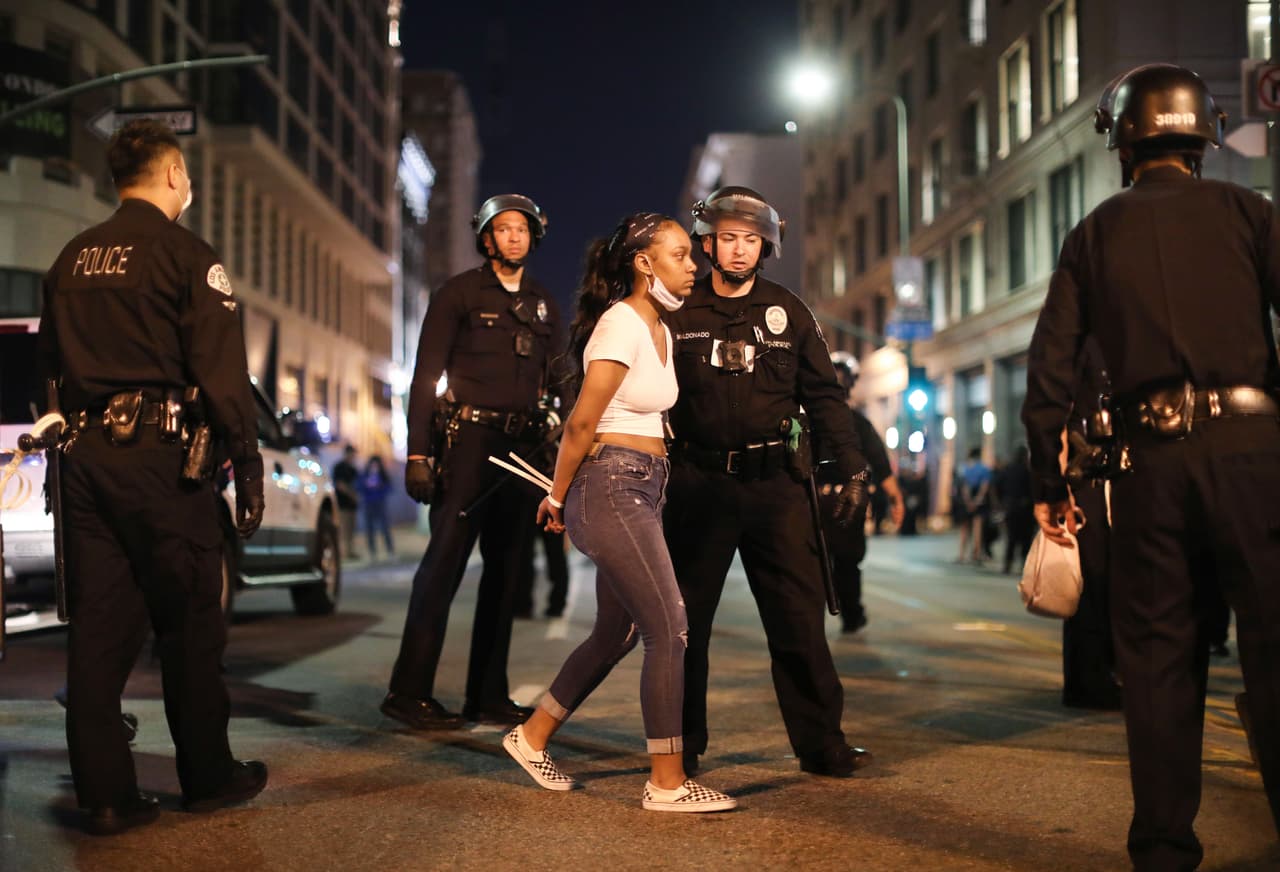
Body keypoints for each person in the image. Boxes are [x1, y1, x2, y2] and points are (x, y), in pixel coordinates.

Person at [1022, 64, 1280, 869]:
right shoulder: (1249, 212)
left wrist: (1049, 482)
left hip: (1146, 466)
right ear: (1205, 134)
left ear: (1122, 141)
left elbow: (1049, 371)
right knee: (1275, 648)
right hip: (1253, 456)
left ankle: (1164, 850)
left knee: (1160, 660)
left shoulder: (1095, 234)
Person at [35, 120, 267, 835]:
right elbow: (223, 376)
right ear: (172, 175)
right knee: (190, 621)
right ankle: (206, 778)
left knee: (99, 628)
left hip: (84, 461)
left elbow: (49, 371)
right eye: (187, 176)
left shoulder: (71, 258)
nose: (188, 186)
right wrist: (248, 464)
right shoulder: (185, 256)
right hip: (162, 464)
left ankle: (106, 793)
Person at [503, 212, 735, 812]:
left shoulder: (659, 328)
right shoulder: (622, 324)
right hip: (612, 484)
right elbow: (584, 420)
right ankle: (666, 783)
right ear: (643, 263)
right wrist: (556, 495)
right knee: (669, 627)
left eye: (691, 257)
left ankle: (531, 737)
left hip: (644, 485)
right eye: (682, 255)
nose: (694, 266)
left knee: (620, 630)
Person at [663, 186, 872, 778]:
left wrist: (853, 466)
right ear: (708, 244)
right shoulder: (679, 311)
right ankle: (683, 745)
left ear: (766, 246)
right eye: (727, 239)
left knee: (799, 620)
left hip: (777, 488)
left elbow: (826, 396)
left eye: (749, 240)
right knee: (686, 625)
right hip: (698, 486)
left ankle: (821, 742)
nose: (737, 251)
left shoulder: (791, 311)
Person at [385, 194, 566, 730]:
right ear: (486, 238)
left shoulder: (543, 303)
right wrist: (418, 453)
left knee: (508, 575)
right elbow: (424, 377)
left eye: (522, 229)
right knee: (442, 565)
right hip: (467, 443)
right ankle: (408, 692)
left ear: (534, 237)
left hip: (522, 449)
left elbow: (562, 379)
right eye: (503, 229)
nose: (513, 237)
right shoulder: (458, 293)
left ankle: (486, 696)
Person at [819, 351, 905, 633]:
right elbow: (881, 465)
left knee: (815, 564)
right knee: (847, 564)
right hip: (848, 501)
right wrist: (896, 499)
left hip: (815, 501)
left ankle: (813, 623)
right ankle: (852, 616)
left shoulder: (808, 418)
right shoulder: (857, 422)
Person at [1060, 341, 1121, 711]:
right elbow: (1057, 424)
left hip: (1117, 480)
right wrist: (1062, 492)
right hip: (1087, 482)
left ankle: (1102, 675)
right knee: (1090, 582)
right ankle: (1088, 681)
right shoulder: (1080, 344)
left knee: (1112, 580)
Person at [995, 444, 1035, 575]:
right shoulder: (1028, 471)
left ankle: (1008, 564)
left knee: (1011, 538)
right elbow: (1034, 491)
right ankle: (1024, 564)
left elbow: (997, 486)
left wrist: (1002, 502)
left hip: (1010, 507)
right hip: (1025, 508)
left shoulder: (1007, 470)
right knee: (1026, 539)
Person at [955, 448, 991, 563]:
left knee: (964, 528)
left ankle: (961, 554)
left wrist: (968, 501)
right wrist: (977, 500)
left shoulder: (964, 468)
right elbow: (984, 486)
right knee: (977, 528)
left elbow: (963, 486)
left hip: (966, 500)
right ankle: (976, 554)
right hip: (978, 500)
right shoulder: (984, 469)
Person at [359, 455, 394, 560]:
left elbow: (389, 488)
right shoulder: (364, 475)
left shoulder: (383, 475)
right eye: (373, 464)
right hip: (369, 503)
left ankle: (390, 551)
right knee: (370, 529)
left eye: (376, 464)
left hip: (380, 503)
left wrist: (380, 486)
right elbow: (359, 486)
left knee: (385, 528)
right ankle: (372, 552)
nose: (374, 466)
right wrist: (366, 484)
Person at [332, 443, 360, 559]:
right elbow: (339, 485)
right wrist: (352, 494)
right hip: (342, 504)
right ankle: (343, 554)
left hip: (352, 505)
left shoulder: (353, 469)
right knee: (343, 530)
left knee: (351, 530)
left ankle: (349, 552)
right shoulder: (339, 467)